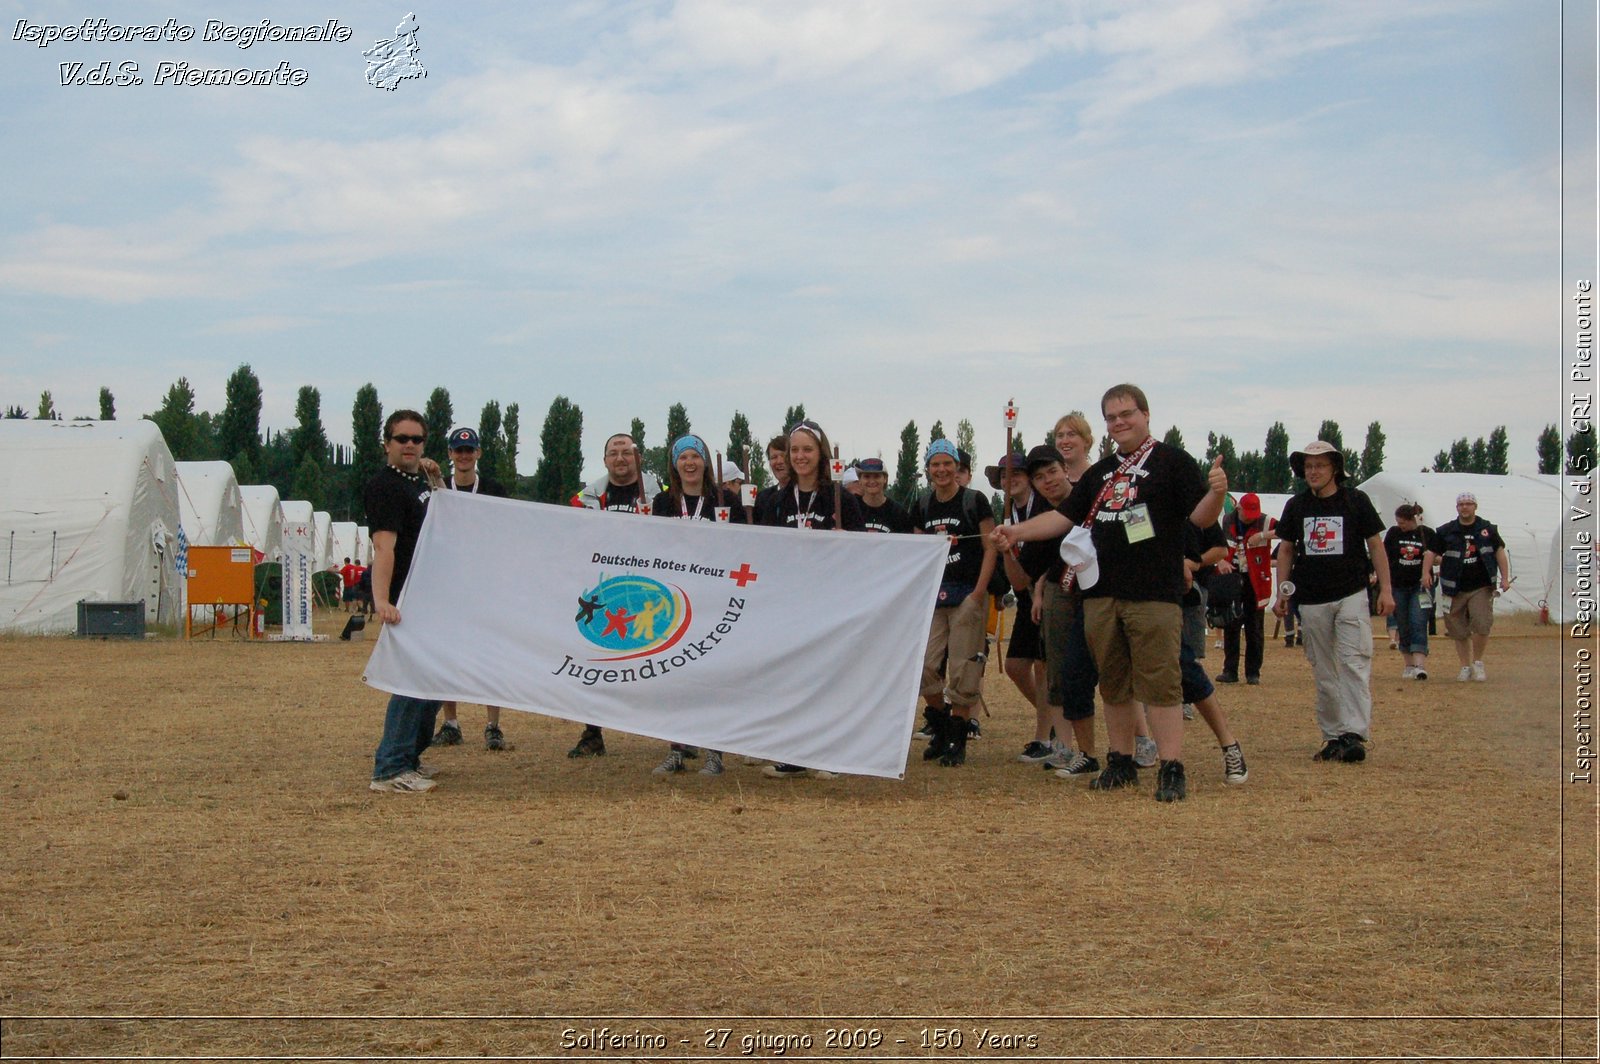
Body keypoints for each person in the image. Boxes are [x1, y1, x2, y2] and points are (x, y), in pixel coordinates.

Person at [993, 385, 1228, 802]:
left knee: (1160, 684)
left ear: (1146, 414)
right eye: (1112, 417)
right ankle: (1120, 761)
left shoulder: (1173, 462)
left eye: (1127, 414)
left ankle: (1172, 766)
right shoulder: (1101, 473)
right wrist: (1016, 531)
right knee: (1115, 685)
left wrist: (1217, 493)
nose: (1119, 422)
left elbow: (1200, 516)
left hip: (1154, 594)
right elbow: (1062, 519)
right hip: (1101, 595)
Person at [1273, 441, 1393, 763]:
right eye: (1308, 466)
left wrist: (1386, 590)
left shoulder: (1356, 501)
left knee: (1353, 662)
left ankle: (1354, 734)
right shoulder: (1296, 506)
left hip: (1351, 594)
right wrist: (1281, 594)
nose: (1313, 472)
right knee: (1324, 672)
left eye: (1320, 466)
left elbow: (1376, 546)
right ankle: (1333, 737)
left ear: (1335, 470)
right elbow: (1286, 550)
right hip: (1310, 599)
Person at [758, 419, 864, 779]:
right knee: (795, 679)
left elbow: (865, 552)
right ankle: (796, 750)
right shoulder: (777, 499)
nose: (800, 456)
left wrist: (845, 541)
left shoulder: (842, 499)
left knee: (829, 678)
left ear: (821, 454)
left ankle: (833, 752)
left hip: (830, 603)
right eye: (795, 450)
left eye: (807, 450)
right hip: (790, 604)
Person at [649, 434, 745, 777]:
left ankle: (714, 753)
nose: (690, 463)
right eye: (683, 457)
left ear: (705, 461)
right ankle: (676, 749)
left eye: (695, 456)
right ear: (675, 465)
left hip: (715, 600)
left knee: (711, 677)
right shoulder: (663, 503)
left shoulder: (726, 499)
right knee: (674, 676)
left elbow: (745, 545)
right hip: (675, 600)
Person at [569, 432, 665, 758]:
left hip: (650, 587)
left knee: (667, 658)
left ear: (639, 458)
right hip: (604, 588)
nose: (621, 458)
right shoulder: (587, 496)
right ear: (604, 460)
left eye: (627, 452)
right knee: (594, 658)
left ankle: (681, 738)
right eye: (614, 453)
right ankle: (592, 731)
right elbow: (568, 532)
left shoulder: (660, 493)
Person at [367, 409, 446, 793]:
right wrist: (382, 599)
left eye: (417, 439)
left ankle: (409, 758)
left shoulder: (418, 483)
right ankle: (390, 767)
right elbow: (385, 546)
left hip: (432, 595)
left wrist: (437, 480)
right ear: (387, 444)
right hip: (407, 596)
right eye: (402, 439)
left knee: (432, 680)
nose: (411, 445)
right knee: (412, 681)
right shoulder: (385, 486)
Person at [912, 439, 997, 768]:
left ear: (957, 467)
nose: (942, 470)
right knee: (926, 664)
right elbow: (918, 552)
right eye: (936, 464)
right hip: (935, 596)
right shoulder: (922, 505)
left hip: (967, 593)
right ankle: (941, 724)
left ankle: (957, 737)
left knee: (964, 666)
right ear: (929, 469)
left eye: (948, 464)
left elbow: (991, 546)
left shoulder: (974, 501)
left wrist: (979, 593)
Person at [431, 427, 515, 751]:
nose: (464, 456)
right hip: (449, 583)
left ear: (478, 453)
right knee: (447, 654)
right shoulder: (439, 488)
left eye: (469, 450)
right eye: (458, 450)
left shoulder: (493, 489)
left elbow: (507, 530)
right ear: (451, 454)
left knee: (489, 653)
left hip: (485, 582)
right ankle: (450, 722)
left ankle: (493, 725)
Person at [988, 451, 1051, 762]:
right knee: (1015, 667)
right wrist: (1007, 552)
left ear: (1029, 477)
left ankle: (1045, 736)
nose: (1009, 479)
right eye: (1003, 475)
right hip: (1026, 595)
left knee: (1043, 667)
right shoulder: (1008, 514)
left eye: (1016, 473)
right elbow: (1016, 576)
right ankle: (1051, 721)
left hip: (1051, 592)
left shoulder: (1043, 508)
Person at [1182, 519, 1249, 785]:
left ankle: (1229, 744)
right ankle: (1135, 749)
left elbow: (1220, 549)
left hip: (1185, 595)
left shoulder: (1195, 511)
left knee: (1187, 665)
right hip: (1136, 594)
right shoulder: (1135, 502)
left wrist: (1193, 563)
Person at [1425, 491, 1511, 682]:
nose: (1465, 507)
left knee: (1481, 623)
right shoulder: (1446, 531)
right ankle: (1465, 666)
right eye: (1461, 504)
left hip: (1481, 586)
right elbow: (1431, 553)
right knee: (1458, 629)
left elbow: (1499, 553)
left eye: (1468, 504)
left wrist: (1505, 578)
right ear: (1457, 508)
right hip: (1453, 588)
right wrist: (1425, 574)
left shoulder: (1487, 529)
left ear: (1475, 506)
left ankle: (1478, 662)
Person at [1216, 492, 1276, 685]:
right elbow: (1217, 544)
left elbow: (1289, 529)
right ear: (1239, 508)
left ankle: (1253, 672)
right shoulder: (1226, 520)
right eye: (1247, 513)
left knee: (1255, 628)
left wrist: (1263, 535)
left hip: (1256, 581)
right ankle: (1229, 670)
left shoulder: (1265, 521)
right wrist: (1220, 562)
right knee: (1231, 624)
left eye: (1254, 514)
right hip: (1233, 578)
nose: (1251, 517)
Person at [1384, 503, 1433, 680]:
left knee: (1418, 622)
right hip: (1398, 586)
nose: (1400, 526)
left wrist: (1431, 562)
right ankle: (1408, 664)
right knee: (1402, 624)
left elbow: (1437, 557)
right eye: (1398, 522)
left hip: (1419, 587)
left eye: (1403, 522)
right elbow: (1385, 556)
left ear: (1413, 520)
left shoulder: (1426, 534)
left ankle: (1420, 665)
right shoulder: (1393, 534)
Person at [856, 457, 913, 534]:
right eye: (866, 476)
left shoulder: (899, 513)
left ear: (885, 479)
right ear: (860, 480)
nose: (872, 481)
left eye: (876, 476)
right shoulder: (851, 510)